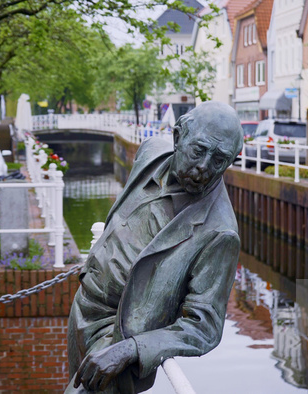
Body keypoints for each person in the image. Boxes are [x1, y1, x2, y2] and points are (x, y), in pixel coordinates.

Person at [66, 101, 243, 393]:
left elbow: (205, 327)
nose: (204, 167)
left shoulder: (220, 232)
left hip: (116, 337)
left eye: (218, 160)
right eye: (198, 150)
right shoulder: (150, 153)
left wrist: (130, 350)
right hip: (83, 308)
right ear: (178, 138)